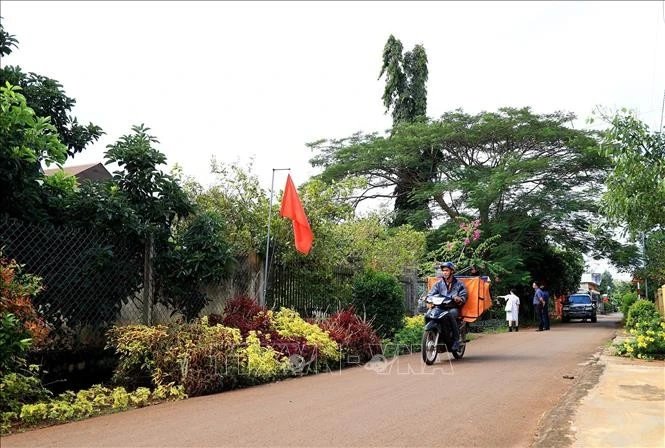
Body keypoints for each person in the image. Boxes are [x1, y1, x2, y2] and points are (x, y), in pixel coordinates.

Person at [427, 262, 468, 351]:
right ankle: (433, 335)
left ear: (452, 271)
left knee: (450, 314)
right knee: (429, 314)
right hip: (440, 307)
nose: (444, 272)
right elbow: (431, 294)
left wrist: (459, 298)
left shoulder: (459, 284)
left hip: (452, 307)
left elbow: (463, 296)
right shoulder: (438, 284)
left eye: (447, 270)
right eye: (443, 271)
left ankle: (456, 340)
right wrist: (428, 298)